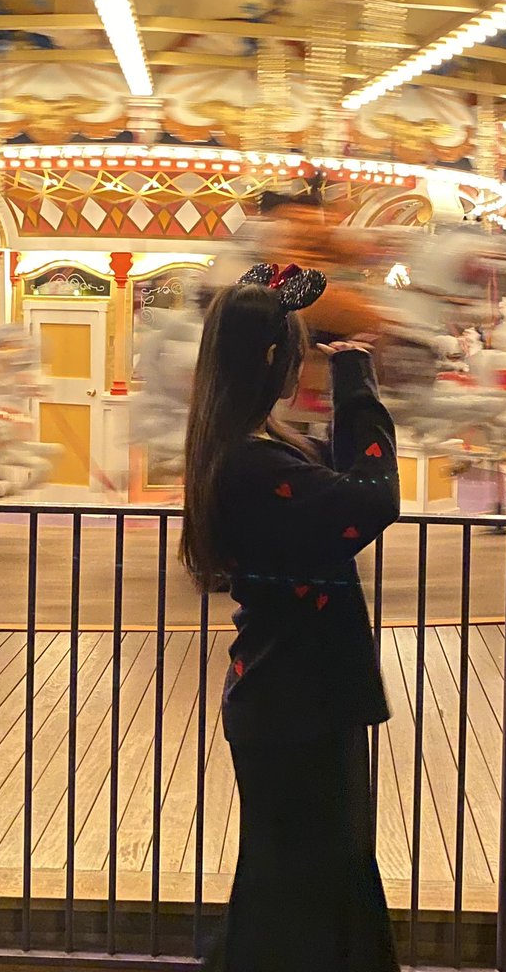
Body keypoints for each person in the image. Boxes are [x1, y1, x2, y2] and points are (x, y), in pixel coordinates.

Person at [182, 261, 401, 972]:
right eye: (297, 352)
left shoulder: (250, 452)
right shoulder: (255, 464)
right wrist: (358, 382)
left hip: (293, 692)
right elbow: (371, 499)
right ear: (274, 360)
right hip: (296, 698)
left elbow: (337, 492)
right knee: (303, 893)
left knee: (305, 885)